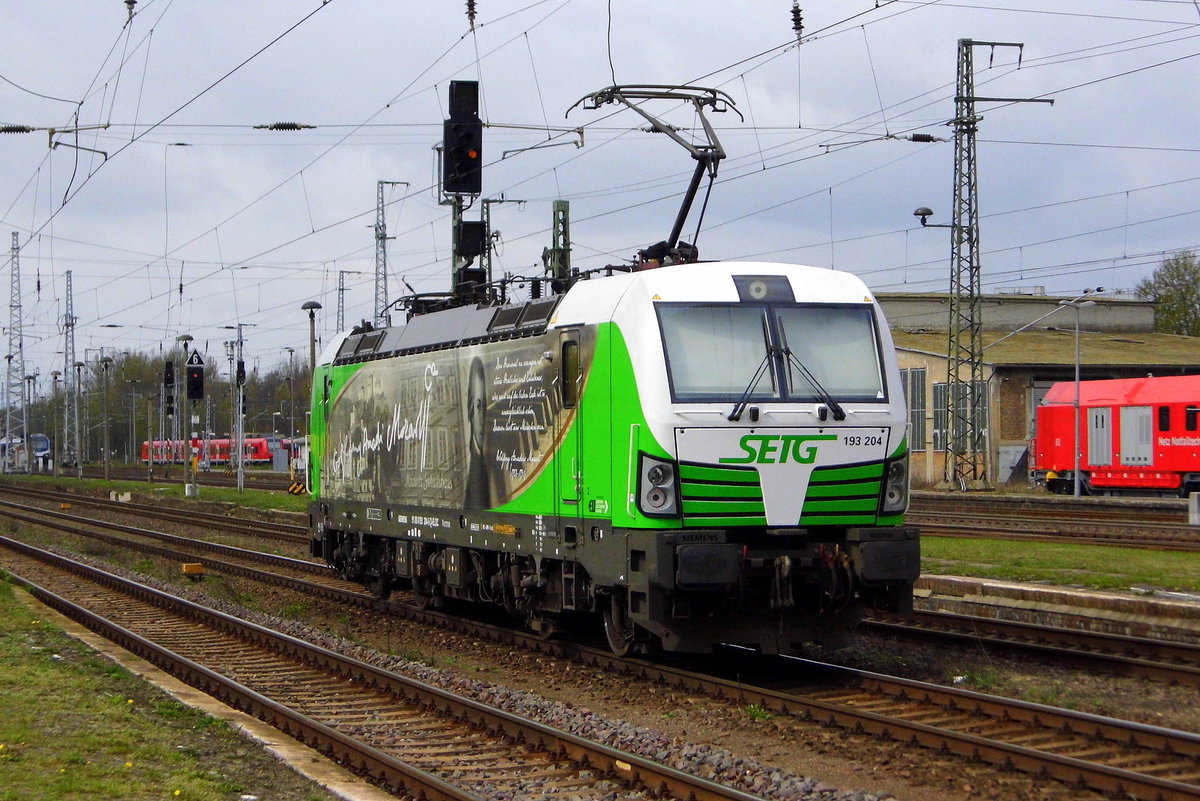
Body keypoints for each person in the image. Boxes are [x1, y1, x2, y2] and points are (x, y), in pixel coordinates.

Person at [463, 356, 490, 507]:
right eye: (478, 406)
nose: (482, 416)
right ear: (470, 410)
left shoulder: (481, 463)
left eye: (484, 406)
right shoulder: (474, 473)